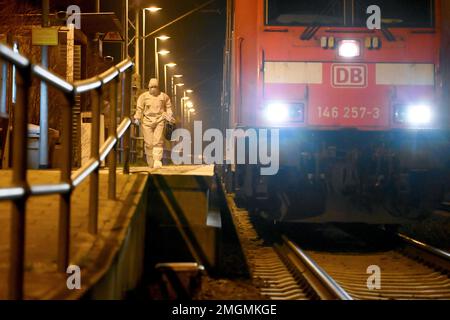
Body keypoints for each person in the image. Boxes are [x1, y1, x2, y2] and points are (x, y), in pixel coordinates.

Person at [133, 78, 174, 168]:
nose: (153, 89)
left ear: (158, 87)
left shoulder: (164, 96)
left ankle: (157, 160)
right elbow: (139, 108)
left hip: (160, 120)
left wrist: (169, 115)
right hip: (147, 121)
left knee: (158, 141)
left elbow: (169, 107)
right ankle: (150, 161)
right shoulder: (143, 97)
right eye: (151, 87)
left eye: (155, 87)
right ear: (148, 87)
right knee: (149, 143)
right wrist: (137, 118)